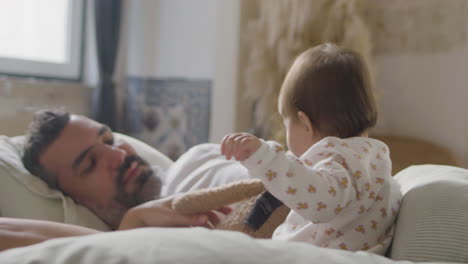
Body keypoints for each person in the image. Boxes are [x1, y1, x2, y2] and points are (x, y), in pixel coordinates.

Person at [221, 43, 402, 254]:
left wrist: (265, 157)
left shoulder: (337, 159)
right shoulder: (374, 157)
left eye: (286, 123)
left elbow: (317, 200)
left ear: (305, 124)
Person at [0, 110, 229, 251]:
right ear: (74, 201)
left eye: (109, 140)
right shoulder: (122, 246)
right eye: (90, 164)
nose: (118, 155)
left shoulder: (196, 163)